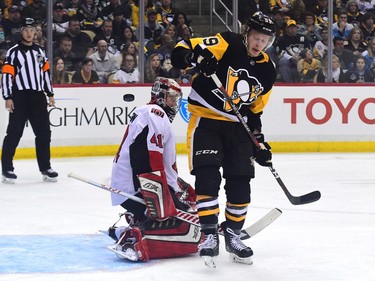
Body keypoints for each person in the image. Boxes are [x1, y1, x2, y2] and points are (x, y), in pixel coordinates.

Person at [171, 11, 276, 265]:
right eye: (256, 37)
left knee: (241, 181)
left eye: (264, 40)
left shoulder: (267, 70)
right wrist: (195, 58)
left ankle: (232, 233)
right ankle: (209, 234)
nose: (258, 44)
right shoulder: (226, 42)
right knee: (207, 176)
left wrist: (259, 142)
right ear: (247, 34)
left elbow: (254, 113)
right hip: (206, 121)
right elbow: (180, 51)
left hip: (238, 128)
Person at [107, 77, 200, 261]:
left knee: (188, 213)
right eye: (172, 98)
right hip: (136, 188)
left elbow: (161, 164)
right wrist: (155, 198)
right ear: (160, 96)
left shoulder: (154, 115)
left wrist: (178, 187)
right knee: (191, 233)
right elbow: (147, 158)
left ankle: (135, 225)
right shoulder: (154, 113)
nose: (174, 104)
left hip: (136, 186)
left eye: (177, 100)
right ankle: (132, 238)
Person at [1, 18, 58, 184]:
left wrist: (50, 93)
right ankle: (7, 168)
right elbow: (7, 76)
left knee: (44, 133)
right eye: (26, 29)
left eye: (32, 30)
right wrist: (8, 97)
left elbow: (45, 75)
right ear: (21, 31)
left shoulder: (40, 52)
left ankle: (45, 168)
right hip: (19, 97)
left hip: (37, 97)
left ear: (35, 32)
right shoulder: (13, 52)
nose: (29, 33)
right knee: (14, 133)